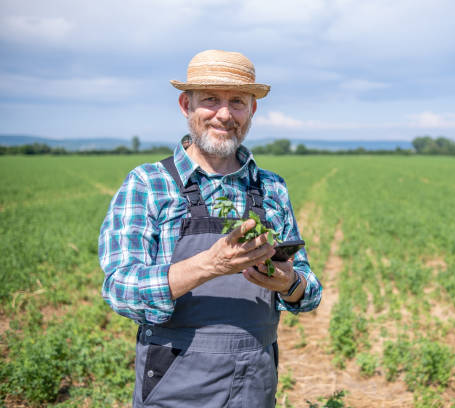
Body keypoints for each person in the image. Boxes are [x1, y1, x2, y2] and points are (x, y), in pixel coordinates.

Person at [99, 49, 322, 407]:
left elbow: (309, 291)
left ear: (253, 109)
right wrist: (211, 265)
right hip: (175, 380)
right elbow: (120, 289)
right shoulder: (148, 183)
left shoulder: (271, 188)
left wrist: (289, 283)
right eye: (211, 100)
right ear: (185, 105)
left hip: (255, 382)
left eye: (237, 101)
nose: (224, 114)